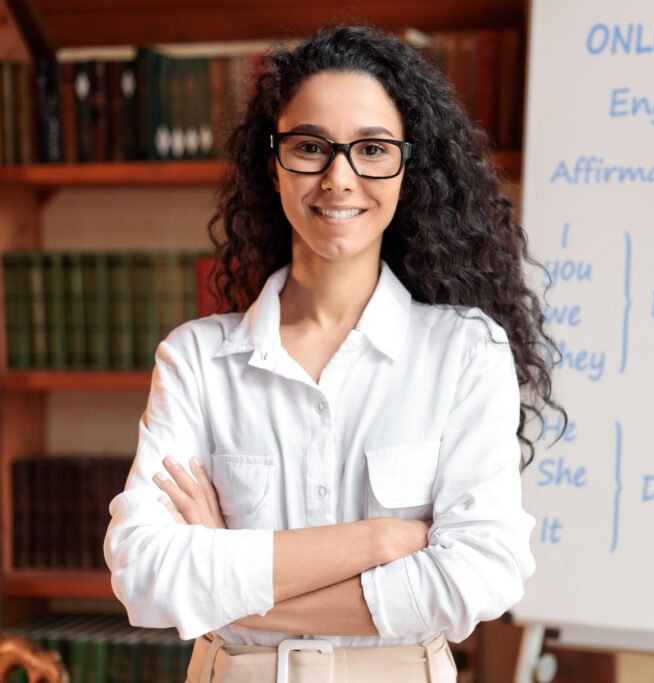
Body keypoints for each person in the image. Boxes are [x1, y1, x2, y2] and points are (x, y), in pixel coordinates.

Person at [103, 24, 562, 683]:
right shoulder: (196, 361)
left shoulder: (464, 352)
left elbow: (479, 575)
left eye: (372, 148)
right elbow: (144, 574)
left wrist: (226, 590)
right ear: (274, 162)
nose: (338, 178)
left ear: (408, 166)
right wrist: (378, 540)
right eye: (311, 147)